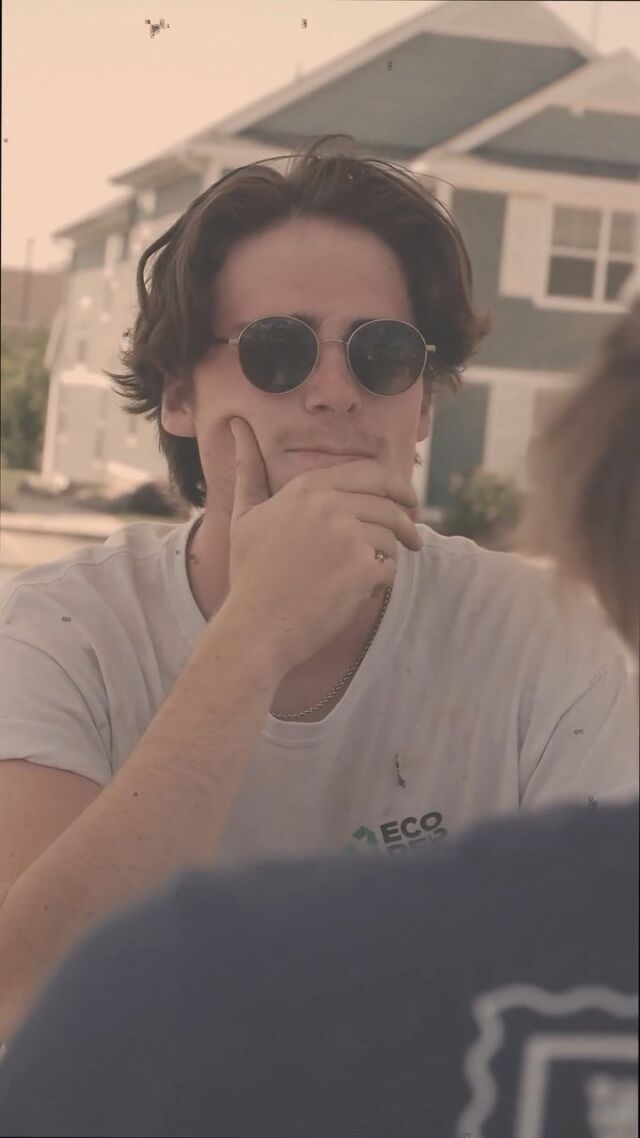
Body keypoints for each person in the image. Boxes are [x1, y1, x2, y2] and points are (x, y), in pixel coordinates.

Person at [0, 136, 636, 1043]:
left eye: (383, 354)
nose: (335, 392)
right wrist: (253, 638)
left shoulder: (542, 635)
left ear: (422, 402)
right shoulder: (62, 627)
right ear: (178, 396)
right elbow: (25, 993)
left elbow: (599, 993)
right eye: (278, 349)